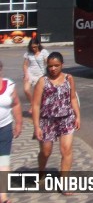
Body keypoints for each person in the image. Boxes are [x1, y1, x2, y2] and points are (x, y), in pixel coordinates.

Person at [32, 52, 80, 193]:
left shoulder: (69, 78)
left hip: (66, 119)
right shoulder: (42, 81)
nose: (53, 68)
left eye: (56, 65)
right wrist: (36, 127)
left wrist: (78, 116)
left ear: (62, 65)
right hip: (47, 121)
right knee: (46, 152)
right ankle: (41, 171)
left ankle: (64, 183)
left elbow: (72, 99)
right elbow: (35, 105)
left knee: (66, 150)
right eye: (50, 66)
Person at [0, 60, 23, 203]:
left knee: (3, 161)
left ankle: (2, 195)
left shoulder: (9, 85)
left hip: (5, 128)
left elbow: (16, 104)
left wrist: (19, 123)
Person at [22, 35, 50, 114]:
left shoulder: (43, 52)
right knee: (26, 89)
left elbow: (48, 62)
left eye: (34, 47)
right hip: (30, 73)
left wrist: (48, 74)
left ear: (38, 45)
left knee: (39, 93)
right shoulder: (28, 53)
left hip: (40, 74)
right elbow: (25, 65)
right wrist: (26, 74)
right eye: (32, 47)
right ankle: (32, 104)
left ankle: (40, 108)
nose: (33, 49)